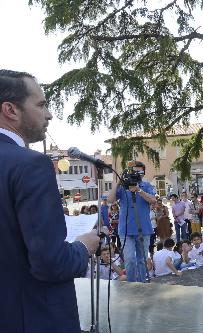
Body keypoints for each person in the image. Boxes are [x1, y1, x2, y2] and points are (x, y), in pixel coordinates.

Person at [0, 69, 100, 332]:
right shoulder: (30, 165)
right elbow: (50, 263)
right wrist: (82, 247)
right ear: (10, 110)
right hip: (31, 316)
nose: (49, 114)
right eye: (41, 104)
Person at [107, 160, 157, 283]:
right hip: (125, 230)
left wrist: (138, 190)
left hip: (143, 229)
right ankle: (131, 285)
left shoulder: (147, 186)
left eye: (139, 171)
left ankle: (142, 283)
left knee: (142, 259)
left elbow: (153, 200)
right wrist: (119, 181)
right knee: (129, 259)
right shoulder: (124, 187)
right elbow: (110, 200)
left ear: (143, 173)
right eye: (134, 171)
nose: (136, 174)